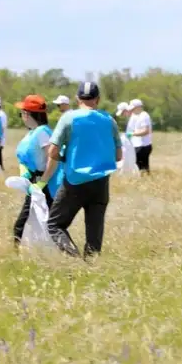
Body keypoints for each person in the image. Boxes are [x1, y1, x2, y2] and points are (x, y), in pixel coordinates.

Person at [43, 81, 122, 259]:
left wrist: (66, 157)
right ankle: (91, 268)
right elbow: (118, 156)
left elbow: (53, 151)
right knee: (94, 234)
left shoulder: (69, 118)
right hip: (101, 183)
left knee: (55, 225)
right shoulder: (109, 120)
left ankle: (74, 259)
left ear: (77, 98)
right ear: (98, 99)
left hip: (75, 182)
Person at [12, 95, 62, 248]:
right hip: (34, 184)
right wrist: (24, 169)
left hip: (44, 186)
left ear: (27, 114)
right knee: (30, 223)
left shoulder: (42, 132)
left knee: (45, 224)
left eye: (22, 113)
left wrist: (42, 182)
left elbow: (53, 158)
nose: (22, 117)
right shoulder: (33, 132)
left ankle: (64, 252)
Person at [126, 99, 153, 174]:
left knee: (140, 167)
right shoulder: (137, 116)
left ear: (138, 107)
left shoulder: (144, 116)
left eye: (133, 108)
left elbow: (145, 131)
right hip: (139, 145)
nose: (132, 110)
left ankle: (144, 180)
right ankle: (145, 180)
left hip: (143, 146)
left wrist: (132, 134)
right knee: (141, 167)